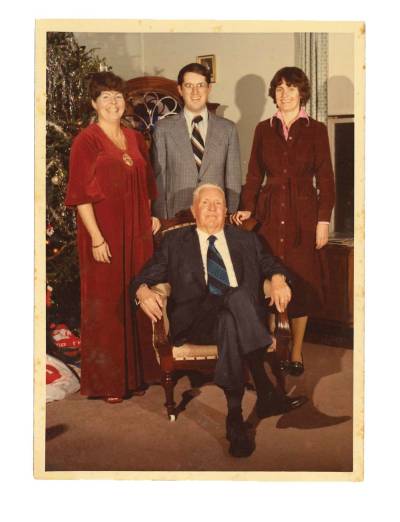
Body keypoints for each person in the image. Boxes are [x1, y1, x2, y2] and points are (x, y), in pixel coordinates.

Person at [131, 184, 306, 458]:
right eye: (205, 203)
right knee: (234, 300)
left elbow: (271, 264)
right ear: (194, 211)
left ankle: (234, 419)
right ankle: (265, 387)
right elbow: (143, 276)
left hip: (237, 321)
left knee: (230, 316)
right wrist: (142, 292)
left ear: (226, 211)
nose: (212, 208)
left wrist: (279, 278)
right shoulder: (175, 243)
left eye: (218, 204)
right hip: (197, 322)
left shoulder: (246, 240)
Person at [65, 71, 161, 403]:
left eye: (118, 96)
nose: (113, 102)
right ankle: (110, 382)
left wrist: (149, 213)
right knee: (108, 304)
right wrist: (95, 238)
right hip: (103, 232)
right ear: (94, 103)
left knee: (139, 292)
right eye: (105, 97)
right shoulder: (86, 141)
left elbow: (147, 183)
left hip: (136, 231)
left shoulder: (135, 138)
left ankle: (141, 374)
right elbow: (79, 197)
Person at [233, 67, 335, 377]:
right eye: (278, 88)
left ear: (301, 93)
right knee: (267, 280)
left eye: (290, 88)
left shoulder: (315, 129)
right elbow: (253, 175)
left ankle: (296, 351)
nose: (284, 93)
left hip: (303, 216)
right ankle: (271, 344)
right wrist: (248, 208)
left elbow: (326, 179)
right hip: (269, 213)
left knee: (300, 283)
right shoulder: (264, 129)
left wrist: (323, 221)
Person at [151, 63, 242, 219]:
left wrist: (229, 216)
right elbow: (160, 180)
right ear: (180, 89)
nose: (195, 92)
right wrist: (163, 220)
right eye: (189, 86)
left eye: (200, 85)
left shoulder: (228, 129)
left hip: (216, 217)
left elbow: (233, 179)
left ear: (208, 88)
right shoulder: (163, 129)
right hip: (176, 216)